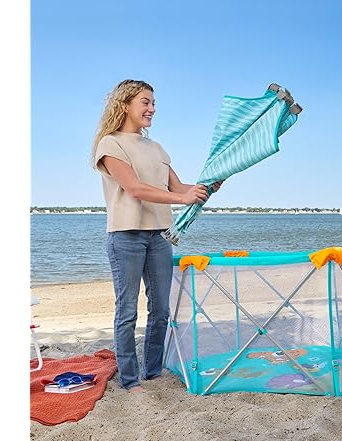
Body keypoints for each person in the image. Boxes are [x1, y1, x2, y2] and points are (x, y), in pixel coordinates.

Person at [91, 79, 221, 393]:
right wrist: (183, 197)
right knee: (127, 311)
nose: (152, 109)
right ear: (125, 105)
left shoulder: (158, 149)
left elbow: (178, 188)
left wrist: (206, 187)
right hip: (126, 236)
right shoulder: (110, 144)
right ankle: (130, 379)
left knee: (161, 310)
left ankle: (152, 371)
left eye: (153, 103)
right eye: (145, 102)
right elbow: (135, 189)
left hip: (161, 236)